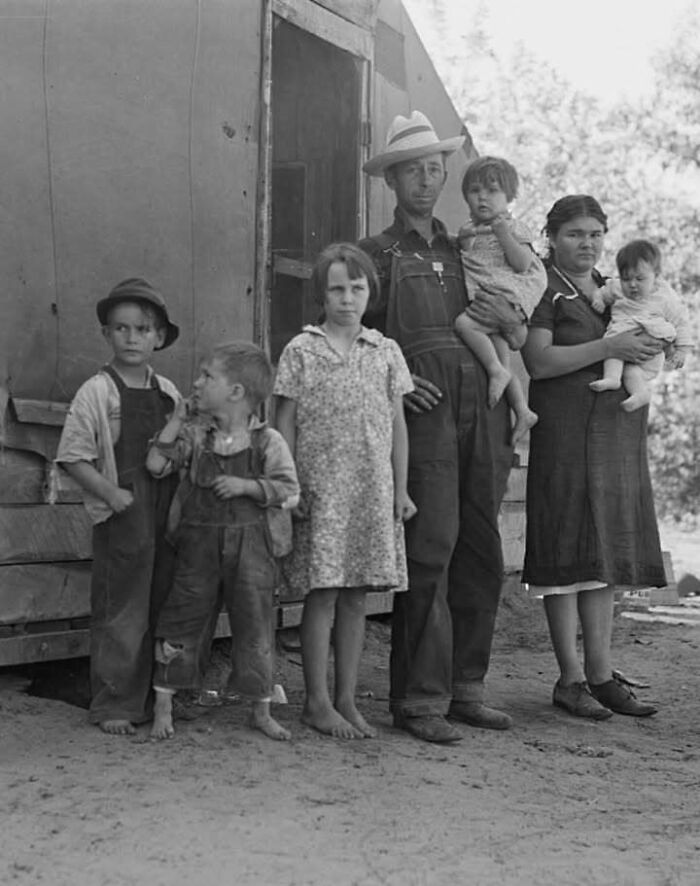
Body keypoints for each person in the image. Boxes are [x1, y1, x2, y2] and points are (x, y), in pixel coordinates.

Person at [359, 111, 515, 743]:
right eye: (411, 172)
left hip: (485, 403)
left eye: (433, 169)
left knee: (482, 547)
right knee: (430, 547)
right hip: (421, 415)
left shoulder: (468, 249)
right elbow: (353, 337)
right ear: (391, 181)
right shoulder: (374, 254)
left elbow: (514, 319)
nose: (424, 181)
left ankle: (467, 689)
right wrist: (394, 377)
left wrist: (511, 319)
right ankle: (420, 700)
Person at [521, 195, 665, 720]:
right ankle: (570, 677)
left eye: (596, 234)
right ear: (553, 237)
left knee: (601, 552)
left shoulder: (613, 287)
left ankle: (602, 674)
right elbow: (538, 360)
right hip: (563, 431)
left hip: (611, 434)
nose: (588, 244)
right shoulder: (544, 286)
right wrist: (610, 350)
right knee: (565, 546)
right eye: (576, 234)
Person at [274, 243, 416, 740]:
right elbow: (284, 423)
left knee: (357, 597)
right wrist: (289, 484)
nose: (347, 298)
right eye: (337, 289)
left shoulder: (385, 351)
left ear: (369, 292)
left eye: (357, 288)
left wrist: (401, 489)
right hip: (321, 492)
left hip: (370, 491)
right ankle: (315, 701)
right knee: (324, 594)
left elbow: (398, 426)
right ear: (322, 294)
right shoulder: (302, 349)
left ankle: (347, 699)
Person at [146, 341, 300, 742]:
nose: (196, 383)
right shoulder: (196, 438)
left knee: (255, 625)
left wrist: (248, 486)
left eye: (207, 376)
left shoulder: (268, 442)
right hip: (197, 549)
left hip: (252, 551)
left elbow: (289, 489)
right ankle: (164, 704)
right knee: (181, 619)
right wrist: (177, 419)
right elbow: (156, 464)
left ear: (235, 392)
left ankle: (260, 709)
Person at [55, 278, 181, 735]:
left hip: (163, 510)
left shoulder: (168, 392)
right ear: (106, 333)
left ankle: (155, 697)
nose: (132, 338)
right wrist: (110, 494)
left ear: (159, 337)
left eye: (143, 329)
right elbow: (73, 456)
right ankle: (114, 703)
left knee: (160, 602)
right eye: (122, 328)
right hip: (123, 514)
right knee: (121, 609)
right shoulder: (98, 391)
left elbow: (178, 448)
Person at [454, 156, 546, 443]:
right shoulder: (471, 228)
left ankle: (495, 372)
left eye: (492, 191)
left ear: (509, 196)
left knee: (464, 325)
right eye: (475, 190)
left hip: (503, 297)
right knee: (502, 361)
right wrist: (463, 239)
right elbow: (468, 257)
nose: (483, 197)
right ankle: (522, 410)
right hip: (488, 301)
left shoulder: (513, 227)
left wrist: (504, 234)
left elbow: (521, 263)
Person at [588, 238, 691, 411]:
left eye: (640, 278)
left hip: (651, 349)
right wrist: (598, 300)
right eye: (626, 278)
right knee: (618, 356)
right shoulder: (617, 287)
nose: (633, 284)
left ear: (656, 276)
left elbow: (680, 321)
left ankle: (634, 390)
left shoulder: (665, 297)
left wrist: (682, 349)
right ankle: (618, 382)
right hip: (619, 341)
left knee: (631, 369)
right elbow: (601, 292)